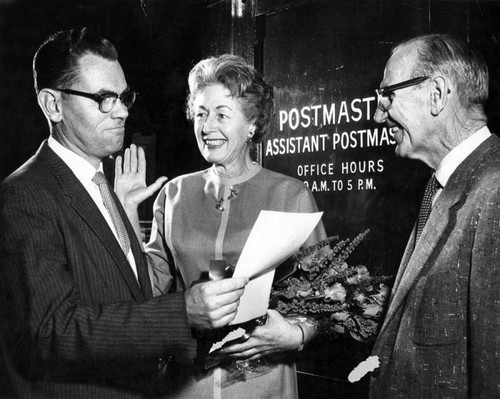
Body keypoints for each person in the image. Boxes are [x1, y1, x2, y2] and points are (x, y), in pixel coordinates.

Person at [0, 27, 249, 398]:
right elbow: (54, 330)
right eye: (103, 98)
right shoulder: (26, 195)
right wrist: (182, 313)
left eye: (123, 96)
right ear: (52, 105)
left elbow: (131, 301)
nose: (121, 112)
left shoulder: (105, 187)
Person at [118, 54, 327, 398]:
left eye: (221, 115)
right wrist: (125, 210)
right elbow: (145, 290)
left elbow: (326, 297)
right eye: (200, 113)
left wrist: (297, 334)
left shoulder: (290, 195)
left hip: (262, 382)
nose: (207, 127)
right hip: (186, 383)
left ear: (253, 125)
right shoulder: (174, 193)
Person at [370, 33, 500, 398]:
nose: (379, 114)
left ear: (438, 94)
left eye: (388, 95)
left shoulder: (495, 192)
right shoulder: (444, 186)